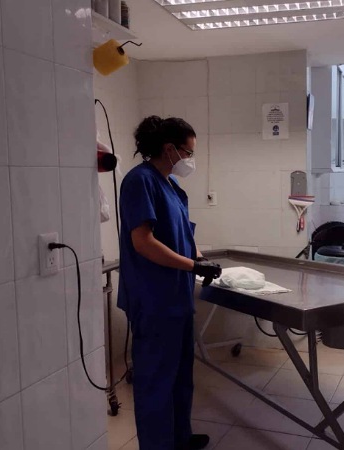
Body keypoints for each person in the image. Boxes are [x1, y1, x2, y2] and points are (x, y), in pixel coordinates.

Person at [117, 116, 222, 450]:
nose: (190, 159)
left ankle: (180, 438)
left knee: (179, 375)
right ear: (169, 149)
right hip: (153, 299)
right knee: (156, 380)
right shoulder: (140, 181)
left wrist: (201, 259)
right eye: (188, 152)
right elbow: (143, 242)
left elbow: (183, 235)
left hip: (176, 297)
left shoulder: (171, 185)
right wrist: (193, 266)